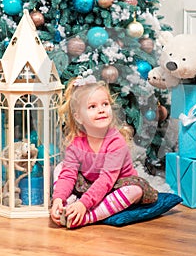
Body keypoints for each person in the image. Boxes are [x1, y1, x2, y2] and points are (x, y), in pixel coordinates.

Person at [51, 75, 158, 229]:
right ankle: (66, 205)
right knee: (62, 168)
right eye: (92, 107)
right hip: (89, 186)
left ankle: (88, 216)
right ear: (79, 117)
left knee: (134, 190)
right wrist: (58, 199)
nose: (101, 110)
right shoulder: (76, 144)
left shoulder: (116, 142)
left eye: (105, 104)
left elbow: (107, 179)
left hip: (116, 185)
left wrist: (84, 204)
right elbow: (68, 174)